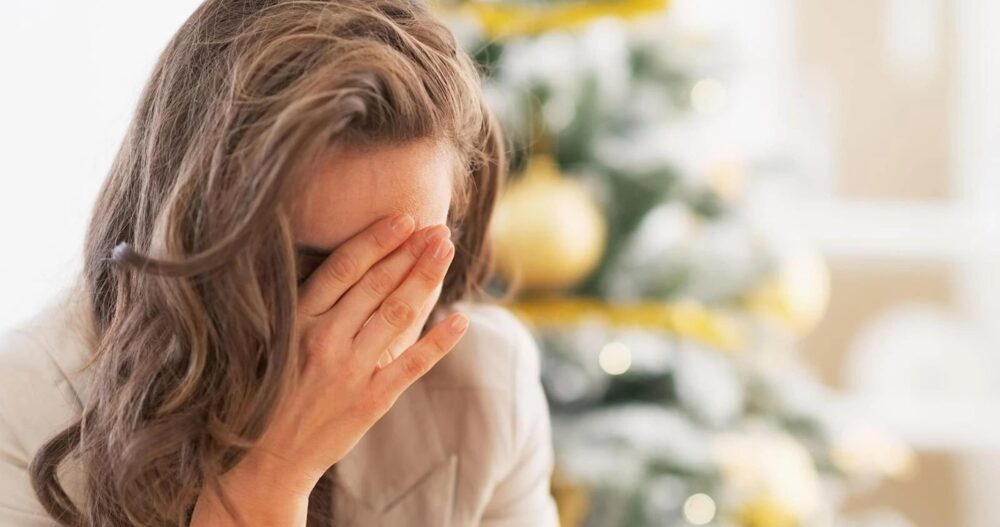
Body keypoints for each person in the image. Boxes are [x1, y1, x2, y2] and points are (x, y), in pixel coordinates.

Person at [0, 1, 560, 525]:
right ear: (193, 234)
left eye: (399, 265)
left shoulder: (488, 383)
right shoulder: (25, 401)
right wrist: (270, 477)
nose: (355, 317)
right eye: (305, 268)